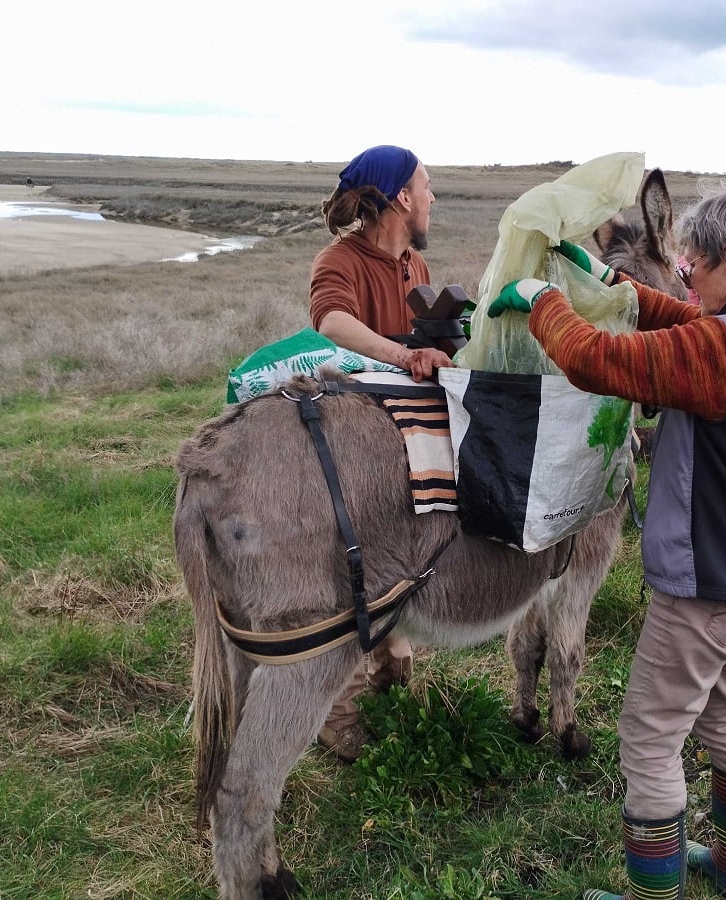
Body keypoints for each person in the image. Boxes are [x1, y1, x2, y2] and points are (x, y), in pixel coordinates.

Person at [488, 185, 726, 900]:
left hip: (721, 577)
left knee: (648, 735)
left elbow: (596, 362)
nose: (684, 275)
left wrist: (541, 300)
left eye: (694, 264)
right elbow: (692, 324)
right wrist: (613, 284)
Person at [308, 145, 453, 761]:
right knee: (346, 584)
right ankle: (335, 722)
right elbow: (331, 324)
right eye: (425, 186)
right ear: (400, 198)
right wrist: (403, 356)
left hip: (404, 450)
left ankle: (388, 707)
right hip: (350, 454)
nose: (432, 197)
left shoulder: (415, 265)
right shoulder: (339, 260)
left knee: (394, 584)